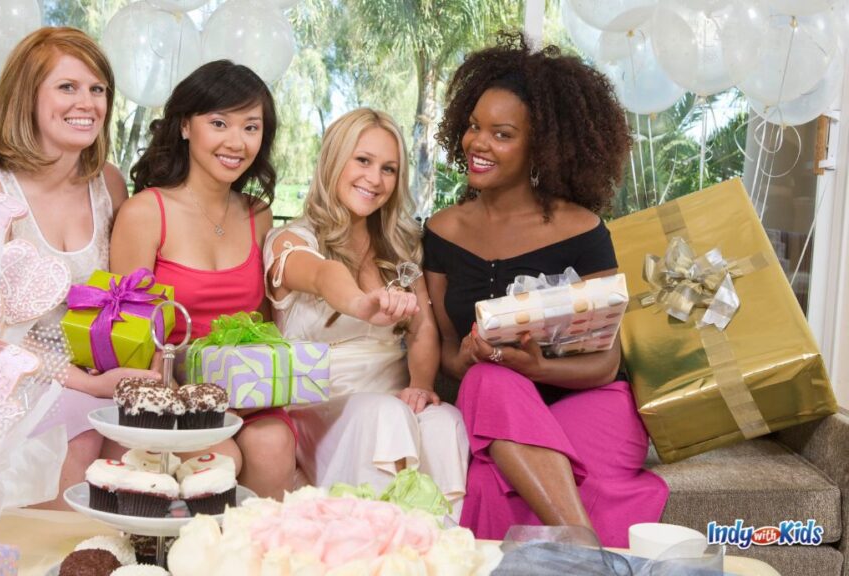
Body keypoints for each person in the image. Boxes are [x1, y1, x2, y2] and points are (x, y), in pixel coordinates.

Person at [422, 32, 668, 546]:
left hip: (589, 399)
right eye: (473, 127)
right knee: (488, 383)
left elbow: (605, 363)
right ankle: (586, 548)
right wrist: (468, 354)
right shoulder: (442, 232)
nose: (478, 144)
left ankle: (577, 550)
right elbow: (447, 352)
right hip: (498, 406)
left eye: (502, 133)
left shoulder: (582, 229)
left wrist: (540, 368)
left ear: (542, 146)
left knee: (505, 480)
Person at [0, 27, 160, 509]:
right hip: (16, 373)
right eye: (67, 87)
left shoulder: (107, 182)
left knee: (139, 432)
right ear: (27, 96)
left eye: (97, 89)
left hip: (98, 370)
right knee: (83, 430)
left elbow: (125, 298)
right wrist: (86, 383)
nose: (86, 102)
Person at [265, 108, 468, 514]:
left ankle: (436, 553)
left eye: (389, 169)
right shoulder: (291, 239)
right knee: (381, 414)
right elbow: (324, 276)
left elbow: (423, 328)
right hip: (321, 406)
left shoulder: (401, 248)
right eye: (363, 161)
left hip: (389, 398)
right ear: (334, 160)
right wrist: (362, 304)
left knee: (445, 423)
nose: (375, 179)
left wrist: (421, 384)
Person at [109, 60, 295, 500]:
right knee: (220, 454)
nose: (236, 142)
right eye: (218, 123)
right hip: (170, 392)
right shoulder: (145, 213)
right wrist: (179, 393)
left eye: (251, 127)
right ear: (186, 126)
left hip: (245, 391)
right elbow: (127, 336)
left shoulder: (258, 215)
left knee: (273, 444)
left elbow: (265, 322)